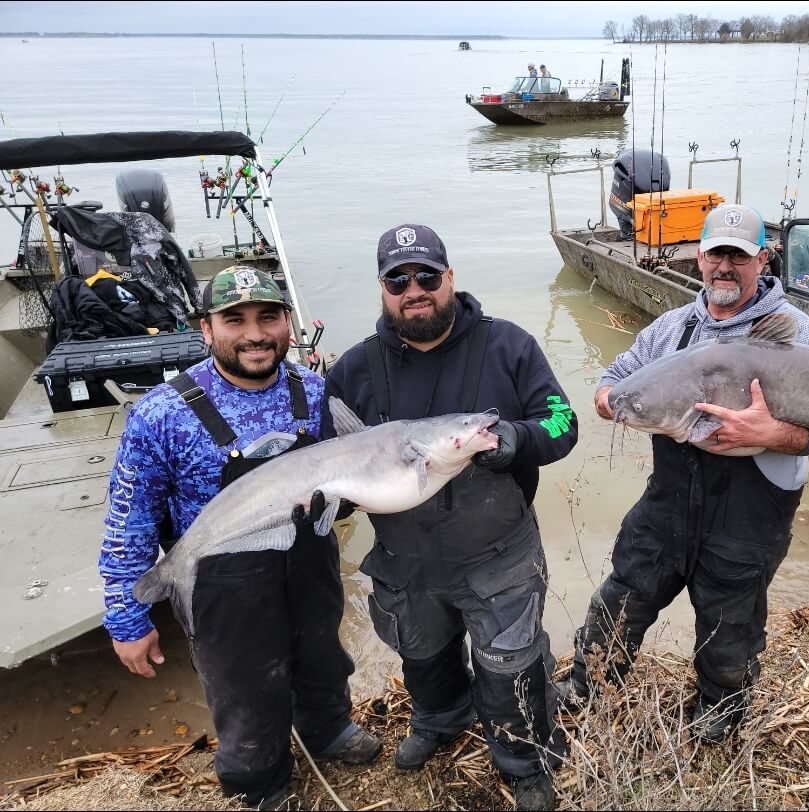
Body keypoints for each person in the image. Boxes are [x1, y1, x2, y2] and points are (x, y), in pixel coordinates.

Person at [99, 266, 381, 808]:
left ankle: (327, 731)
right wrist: (126, 619)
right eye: (235, 320)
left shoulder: (318, 391)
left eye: (268, 317)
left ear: (288, 324)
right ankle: (259, 781)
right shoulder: (161, 414)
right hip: (220, 584)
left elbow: (360, 473)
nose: (255, 333)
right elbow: (127, 527)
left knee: (323, 654)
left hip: (310, 564)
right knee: (246, 689)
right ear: (206, 329)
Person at [558, 204, 809, 743]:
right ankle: (587, 687)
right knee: (621, 597)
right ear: (699, 256)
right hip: (666, 507)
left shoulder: (799, 335)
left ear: (764, 259)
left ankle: (718, 713)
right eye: (715, 254)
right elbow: (611, 382)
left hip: (748, 516)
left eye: (739, 255)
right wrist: (617, 405)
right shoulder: (671, 330)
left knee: (730, 626)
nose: (724, 267)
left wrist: (772, 435)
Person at [324, 224, 578, 811]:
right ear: (383, 290)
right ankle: (440, 718)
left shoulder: (509, 345)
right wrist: (327, 503)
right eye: (398, 279)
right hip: (404, 558)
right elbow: (328, 462)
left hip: (498, 550)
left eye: (427, 276)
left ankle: (523, 757)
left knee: (509, 660)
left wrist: (517, 438)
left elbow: (564, 421)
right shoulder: (353, 370)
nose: (415, 290)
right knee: (421, 652)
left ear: (450, 279)